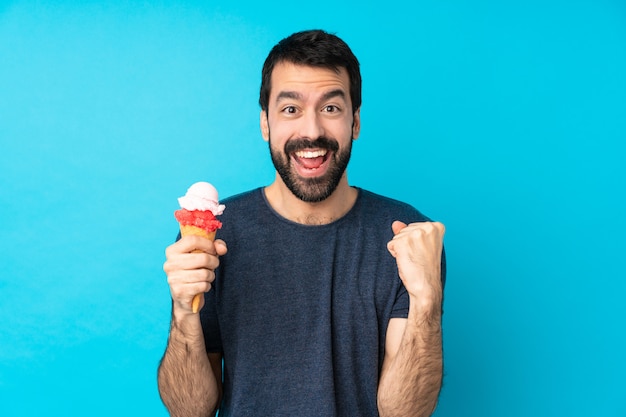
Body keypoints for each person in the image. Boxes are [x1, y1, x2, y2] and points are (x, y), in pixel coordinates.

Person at [158, 29, 446, 417]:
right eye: (290, 109)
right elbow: (190, 410)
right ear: (265, 124)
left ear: (355, 122)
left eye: (331, 108)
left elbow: (404, 413)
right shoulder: (214, 238)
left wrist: (426, 303)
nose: (311, 131)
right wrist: (183, 312)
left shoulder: (407, 237)